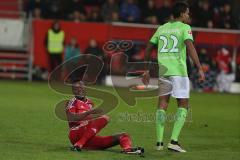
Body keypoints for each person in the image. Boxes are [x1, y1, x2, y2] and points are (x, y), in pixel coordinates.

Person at [142, 1, 205, 152]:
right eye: (188, 13)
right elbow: (190, 47)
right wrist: (199, 67)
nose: (189, 16)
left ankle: (158, 142)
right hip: (178, 71)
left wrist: (145, 69)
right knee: (183, 104)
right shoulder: (185, 28)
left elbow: (149, 46)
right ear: (182, 14)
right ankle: (174, 141)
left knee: (162, 103)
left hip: (164, 71)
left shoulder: (161, 28)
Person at [66, 81, 144, 155]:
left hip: (87, 137)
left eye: (81, 88)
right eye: (76, 89)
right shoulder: (72, 102)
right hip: (75, 133)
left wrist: (94, 115)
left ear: (85, 88)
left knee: (123, 136)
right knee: (104, 118)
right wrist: (89, 112)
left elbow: (91, 119)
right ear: (73, 91)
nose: (79, 90)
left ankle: (127, 149)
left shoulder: (90, 103)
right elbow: (71, 118)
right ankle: (79, 144)